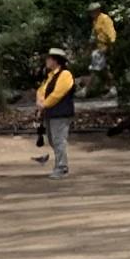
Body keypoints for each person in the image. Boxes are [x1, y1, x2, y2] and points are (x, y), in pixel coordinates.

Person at [35, 47, 76, 179]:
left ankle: (62, 167)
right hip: (51, 114)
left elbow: (57, 94)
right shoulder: (50, 76)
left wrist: (44, 104)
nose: (47, 61)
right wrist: (40, 102)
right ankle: (60, 165)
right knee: (53, 141)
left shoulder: (65, 75)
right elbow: (41, 91)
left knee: (59, 141)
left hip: (61, 114)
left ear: (56, 60)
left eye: (49, 58)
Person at [89, 3, 116, 96]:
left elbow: (111, 32)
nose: (91, 13)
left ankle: (88, 90)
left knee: (97, 69)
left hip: (104, 46)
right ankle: (110, 88)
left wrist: (110, 45)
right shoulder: (95, 20)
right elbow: (94, 34)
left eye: (92, 11)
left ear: (97, 10)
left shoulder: (105, 19)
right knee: (103, 69)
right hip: (98, 46)